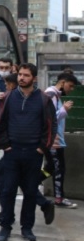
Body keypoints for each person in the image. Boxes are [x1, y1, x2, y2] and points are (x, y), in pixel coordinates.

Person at [0, 63, 57, 241]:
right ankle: (5, 226)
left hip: (33, 153)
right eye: (20, 74)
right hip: (12, 152)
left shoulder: (43, 99)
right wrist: (5, 145)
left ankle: (26, 228)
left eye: (26, 75)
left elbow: (50, 126)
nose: (21, 78)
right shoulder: (9, 97)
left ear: (34, 78)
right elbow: (0, 122)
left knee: (30, 191)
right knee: (7, 190)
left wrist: (42, 148)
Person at [44, 72, 79, 209]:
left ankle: (30, 184)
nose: (70, 89)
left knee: (52, 168)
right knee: (57, 169)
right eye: (70, 86)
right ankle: (59, 198)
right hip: (54, 141)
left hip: (56, 140)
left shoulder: (56, 96)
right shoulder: (51, 95)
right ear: (63, 82)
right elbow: (49, 119)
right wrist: (64, 110)